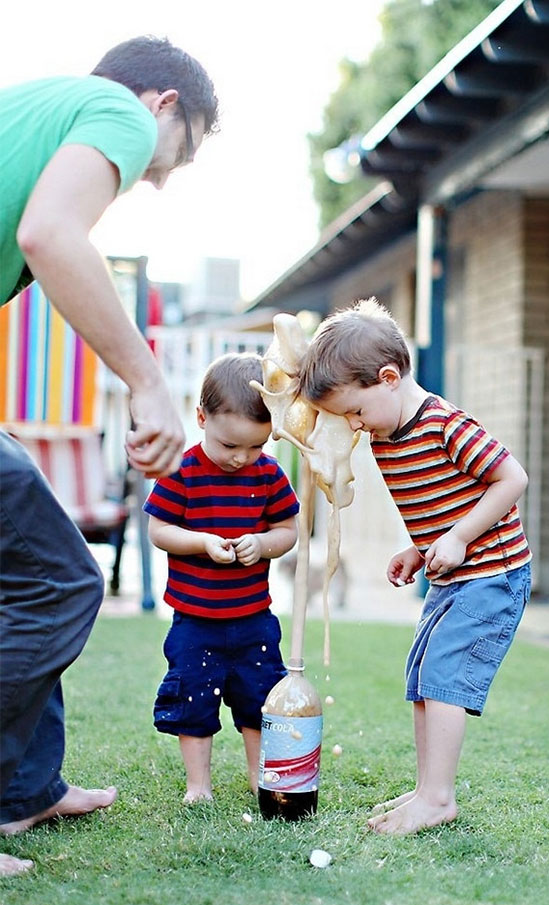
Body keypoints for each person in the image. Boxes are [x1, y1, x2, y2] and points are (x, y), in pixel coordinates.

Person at [0, 36, 219, 876]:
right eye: (182, 152)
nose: (160, 177)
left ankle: (22, 788)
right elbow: (52, 235)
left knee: (28, 570)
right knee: (59, 577)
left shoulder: (41, 112)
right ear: (162, 102)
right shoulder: (116, 111)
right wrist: (149, 381)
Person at [298, 297, 532, 836]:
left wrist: (457, 536)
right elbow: (440, 498)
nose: (353, 425)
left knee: (446, 675)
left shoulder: (445, 422)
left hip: (492, 574)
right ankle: (429, 788)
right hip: (452, 573)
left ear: (388, 377)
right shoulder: (386, 434)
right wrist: (421, 546)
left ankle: (438, 799)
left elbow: (512, 478)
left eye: (354, 410)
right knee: (424, 673)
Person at [144, 353, 299, 802]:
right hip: (195, 619)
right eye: (230, 445)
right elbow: (159, 530)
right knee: (192, 699)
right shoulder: (181, 471)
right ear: (201, 418)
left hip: (253, 618)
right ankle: (199, 786)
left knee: (259, 699)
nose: (241, 458)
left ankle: (260, 776)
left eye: (255, 446)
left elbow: (287, 530)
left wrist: (263, 544)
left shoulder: (269, 474)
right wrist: (202, 542)